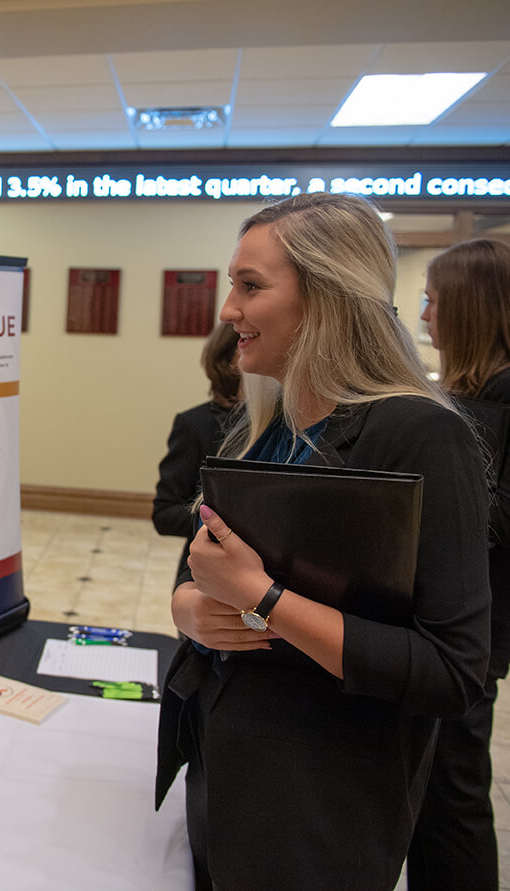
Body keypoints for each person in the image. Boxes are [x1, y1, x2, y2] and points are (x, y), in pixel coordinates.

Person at [155, 192, 491, 890]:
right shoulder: (259, 431)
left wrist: (264, 598)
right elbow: (200, 573)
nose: (227, 312)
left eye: (250, 287)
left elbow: (451, 670)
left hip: (315, 803)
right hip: (225, 766)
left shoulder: (421, 435)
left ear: (328, 296)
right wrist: (189, 610)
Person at [408, 238, 510, 890]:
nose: (422, 318)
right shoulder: (462, 397)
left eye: (432, 301)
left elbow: (496, 521)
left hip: (468, 632)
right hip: (430, 624)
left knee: (452, 796)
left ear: (470, 310)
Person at [152, 322, 241, 579]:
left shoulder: (287, 423)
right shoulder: (196, 424)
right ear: (228, 359)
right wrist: (226, 521)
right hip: (206, 576)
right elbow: (165, 515)